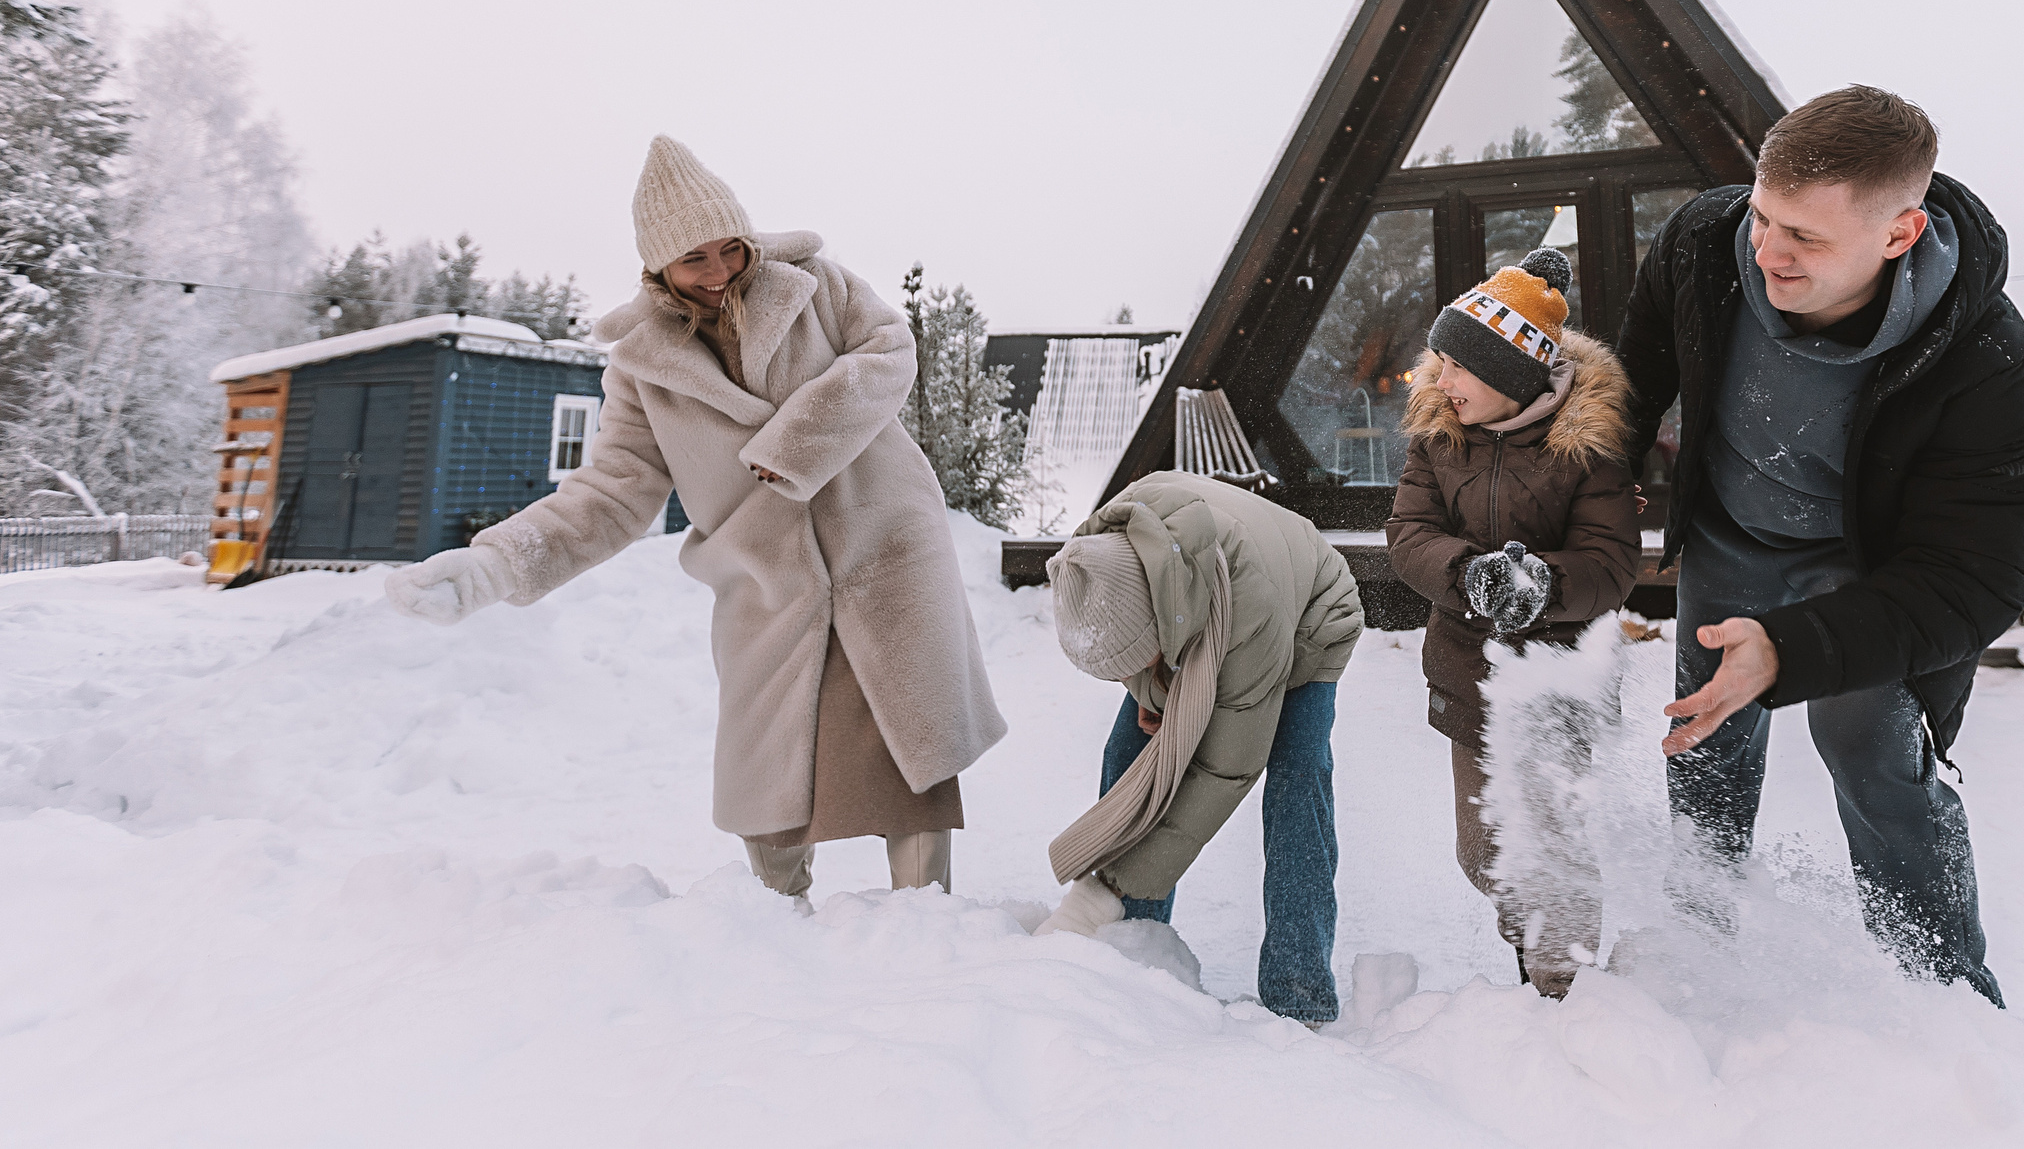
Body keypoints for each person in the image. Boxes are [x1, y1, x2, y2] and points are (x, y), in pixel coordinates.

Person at [383, 136, 1007, 901]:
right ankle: (771, 930)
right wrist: (493, 564)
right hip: (764, 580)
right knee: (764, 777)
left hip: (885, 545)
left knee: (909, 746)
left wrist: (796, 442)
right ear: (658, 271)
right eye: (693, 261)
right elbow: (611, 492)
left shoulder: (821, 286)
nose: (717, 273)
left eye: (729, 250)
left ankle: (929, 928)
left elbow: (889, 352)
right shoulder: (642, 368)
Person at [1616, 85, 2024, 1005]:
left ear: (1898, 235)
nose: (1766, 252)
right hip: (1732, 539)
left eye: (1805, 239)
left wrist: (1795, 649)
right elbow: (1639, 367)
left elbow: (1974, 582)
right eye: (1764, 216)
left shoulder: (1984, 358)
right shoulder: (1705, 243)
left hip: (1869, 574)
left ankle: (1946, 997)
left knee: (1871, 754)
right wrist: (1594, 481)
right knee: (1703, 744)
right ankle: (1698, 953)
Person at [1383, 246, 1640, 998]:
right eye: (1441, 362)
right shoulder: (1438, 436)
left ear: (1511, 374)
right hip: (1470, 673)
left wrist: (1540, 584)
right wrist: (1470, 574)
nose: (1442, 379)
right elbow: (1409, 534)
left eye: (1458, 366)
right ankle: (1538, 952)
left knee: (1551, 844)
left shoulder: (1586, 442)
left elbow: (1612, 559)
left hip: (1560, 678)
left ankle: (1566, 993)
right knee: (1484, 851)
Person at [1035, 472, 1363, 1025]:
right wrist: (1149, 687)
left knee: (1294, 785)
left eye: (1139, 661)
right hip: (1201, 608)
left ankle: (1298, 994)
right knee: (1128, 756)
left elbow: (1221, 773)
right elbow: (1132, 635)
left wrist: (1105, 888)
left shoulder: (1249, 609)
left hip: (1309, 615)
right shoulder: (1104, 554)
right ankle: (1132, 953)